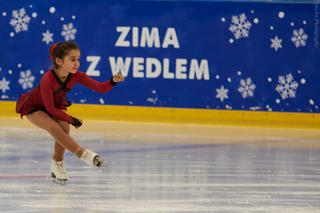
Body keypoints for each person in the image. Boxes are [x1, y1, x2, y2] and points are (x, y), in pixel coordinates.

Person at [16, 41, 124, 183]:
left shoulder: (77, 76)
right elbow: (50, 109)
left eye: (78, 59)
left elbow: (100, 88)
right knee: (53, 127)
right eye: (72, 59)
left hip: (56, 103)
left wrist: (113, 81)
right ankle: (83, 154)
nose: (76, 63)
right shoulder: (47, 79)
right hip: (35, 106)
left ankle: (57, 164)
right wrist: (71, 118)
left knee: (64, 127)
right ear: (59, 61)